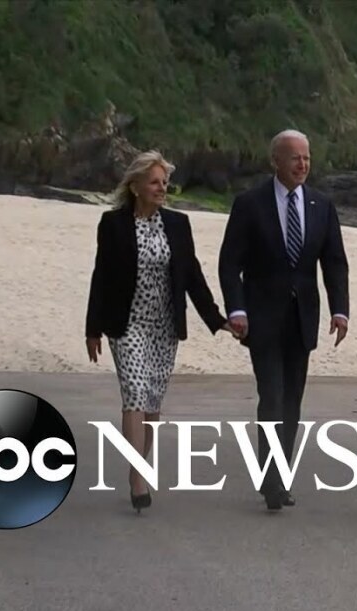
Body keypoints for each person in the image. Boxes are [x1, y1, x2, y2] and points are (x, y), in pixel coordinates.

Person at [85, 150, 235, 514]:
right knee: (135, 394)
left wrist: (218, 320)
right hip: (127, 325)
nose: (162, 188)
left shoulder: (178, 224)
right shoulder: (113, 224)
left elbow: (193, 276)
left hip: (164, 326)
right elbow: (101, 276)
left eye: (165, 182)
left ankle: (138, 466)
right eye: (154, 182)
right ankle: (138, 477)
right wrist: (93, 329)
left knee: (152, 401)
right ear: (135, 186)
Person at [218, 129, 351, 511]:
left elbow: (334, 263)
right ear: (275, 160)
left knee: (292, 400)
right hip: (261, 317)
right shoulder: (250, 204)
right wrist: (237, 309)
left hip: (302, 317)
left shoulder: (321, 205)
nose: (302, 164)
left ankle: (278, 474)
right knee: (272, 396)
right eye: (295, 158)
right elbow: (230, 263)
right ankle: (273, 481)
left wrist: (340, 310)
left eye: (306, 157)